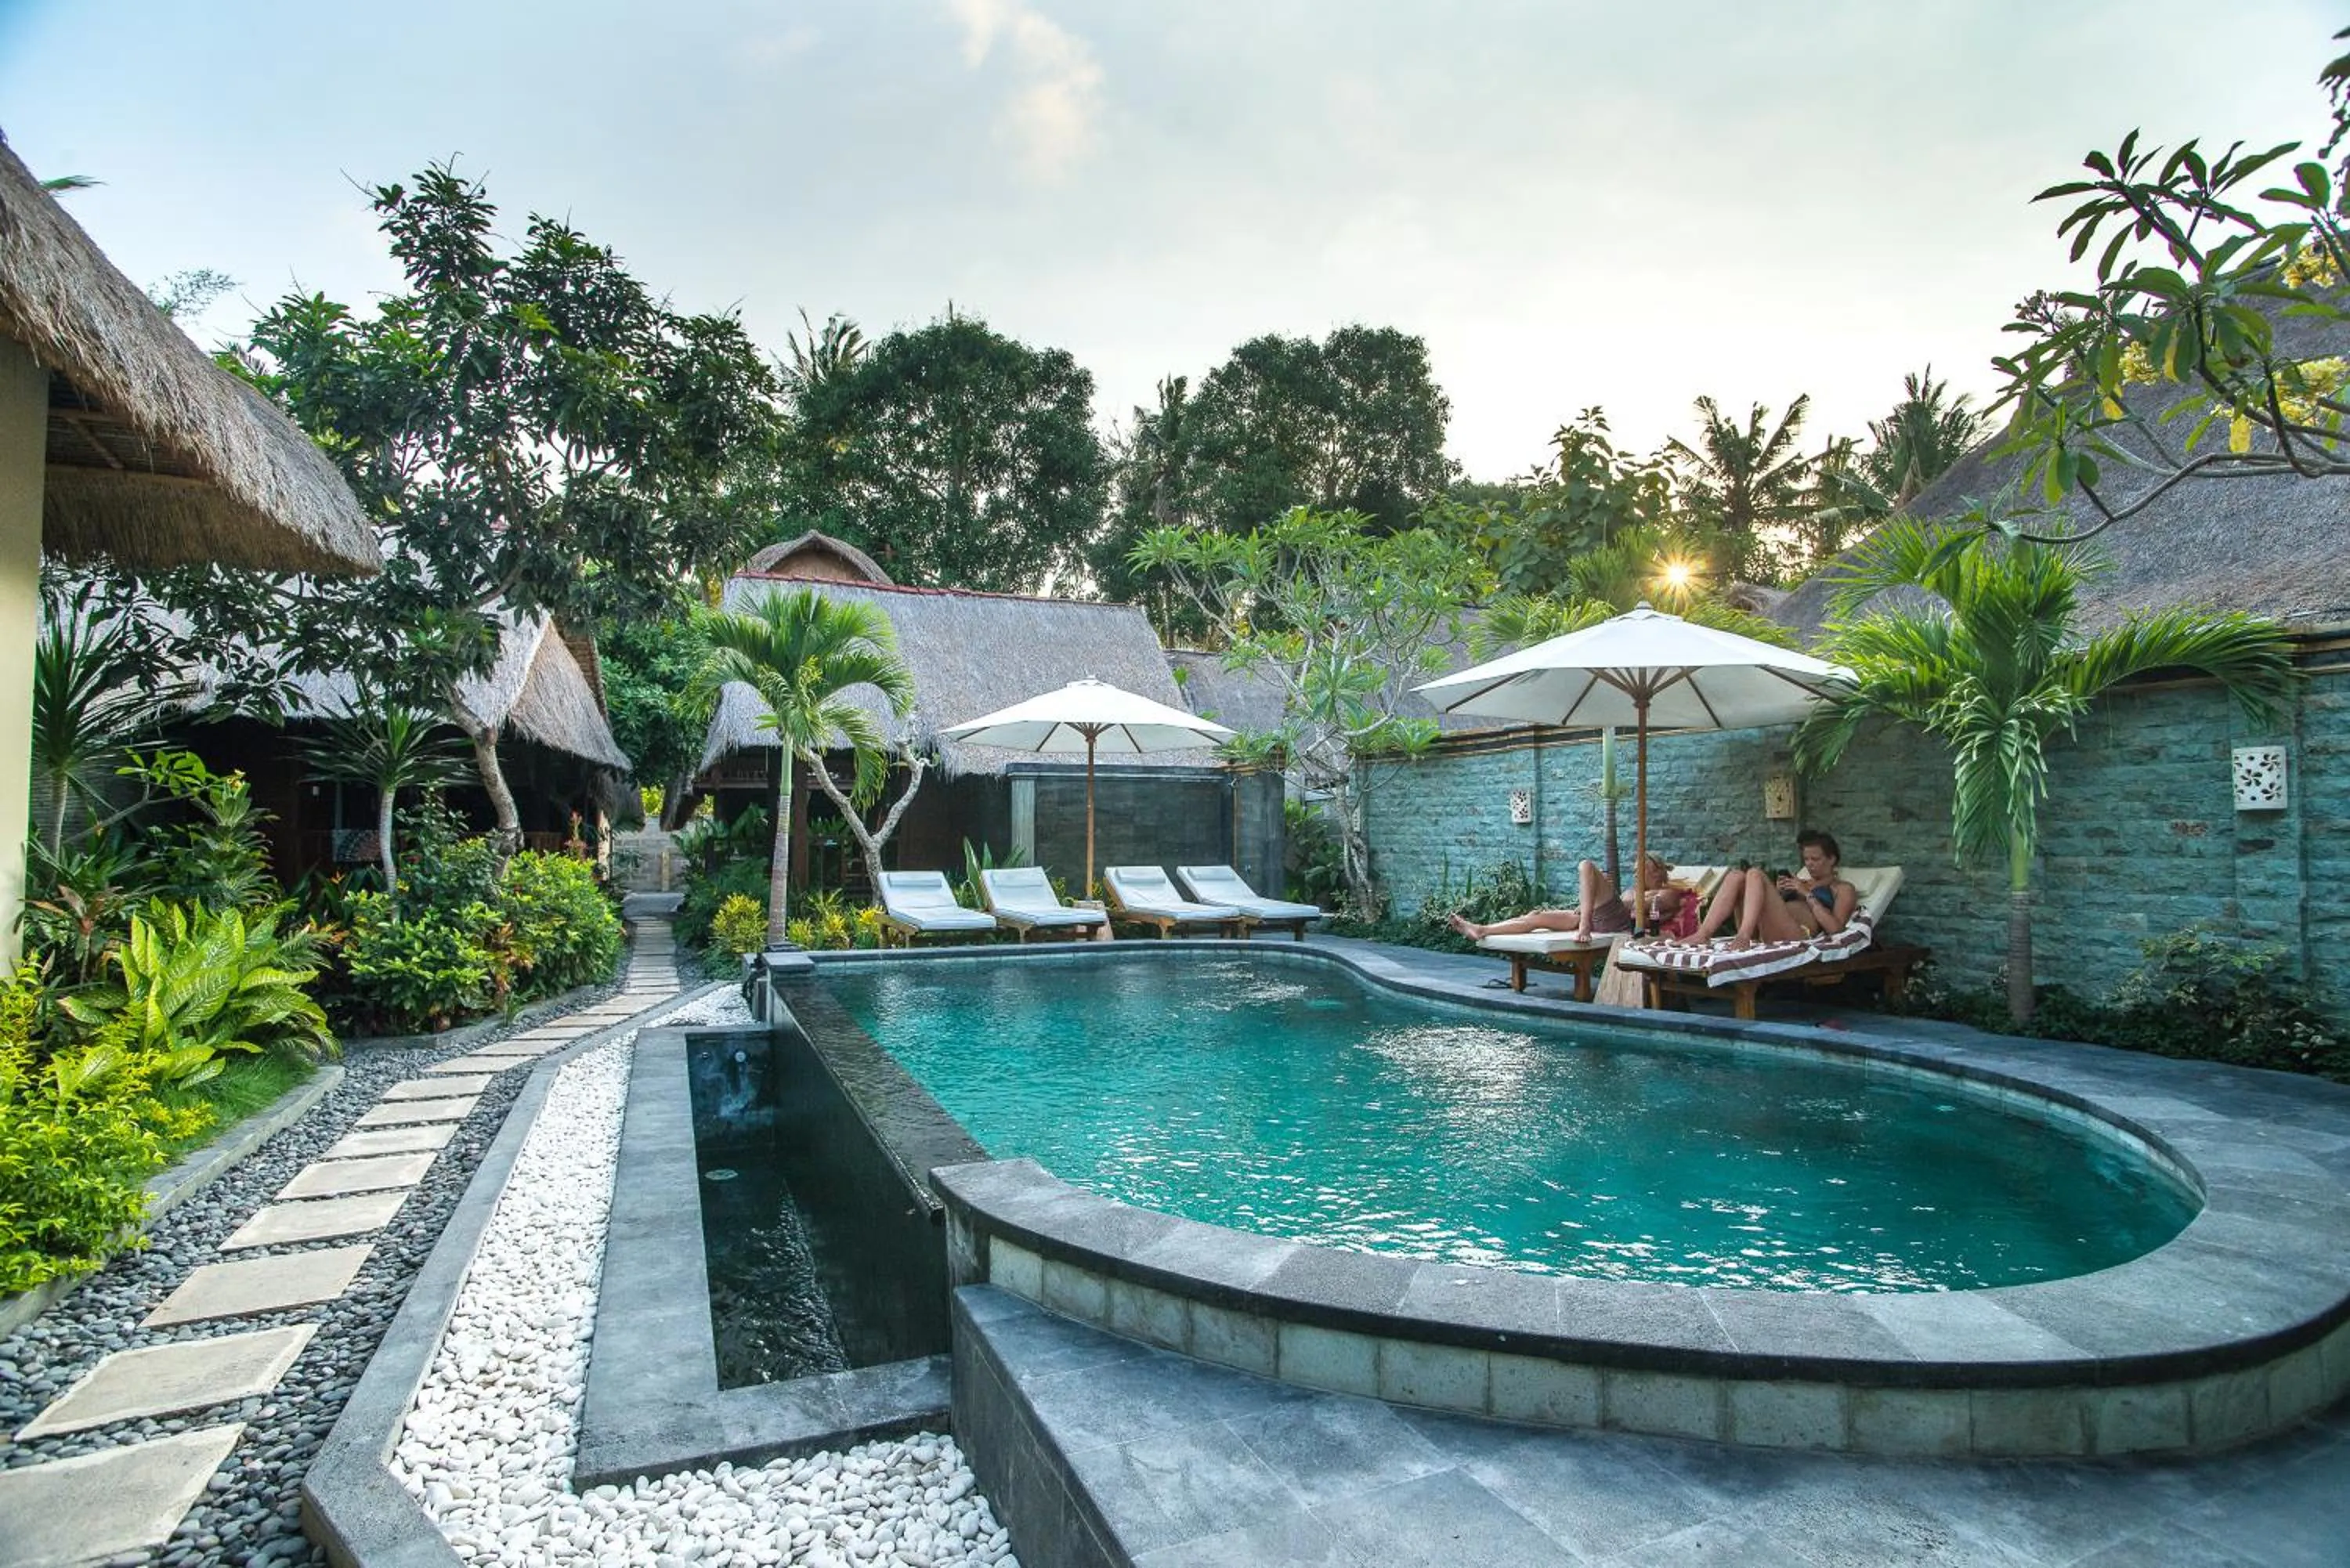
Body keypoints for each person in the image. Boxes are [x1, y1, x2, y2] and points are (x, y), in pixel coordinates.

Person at [1678, 828, 1857, 948]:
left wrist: (1807, 895)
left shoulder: (1842, 889)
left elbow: (1836, 930)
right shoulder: (1800, 880)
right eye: (1806, 859)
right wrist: (1779, 893)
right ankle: (1703, 934)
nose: (1809, 865)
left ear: (1832, 859)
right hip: (1765, 928)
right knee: (1736, 876)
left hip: (1798, 932)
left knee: (1755, 874)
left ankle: (1743, 936)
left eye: (1815, 859)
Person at [1448, 855, 1690, 944]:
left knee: (1586, 866)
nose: (1636, 875)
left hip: (1616, 924)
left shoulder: (1669, 892)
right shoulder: (1634, 892)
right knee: (1536, 918)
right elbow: (1629, 900)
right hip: (1601, 917)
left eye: (1642, 871)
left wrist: (1625, 895)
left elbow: (1639, 905)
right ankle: (1481, 930)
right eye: (1635, 871)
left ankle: (1584, 921)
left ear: (1657, 872)